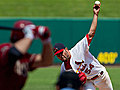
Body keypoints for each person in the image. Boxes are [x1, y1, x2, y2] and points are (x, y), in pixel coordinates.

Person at [53, 3, 113, 90]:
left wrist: (95, 14)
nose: (61, 56)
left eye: (61, 52)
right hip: (88, 83)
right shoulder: (64, 67)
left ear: (66, 49)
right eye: (58, 55)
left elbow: (91, 34)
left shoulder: (79, 49)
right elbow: (64, 82)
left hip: (101, 76)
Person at [0, 20, 53, 90]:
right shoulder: (4, 48)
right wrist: (29, 35)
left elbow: (46, 61)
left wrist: (46, 41)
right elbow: (14, 53)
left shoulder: (25, 57)